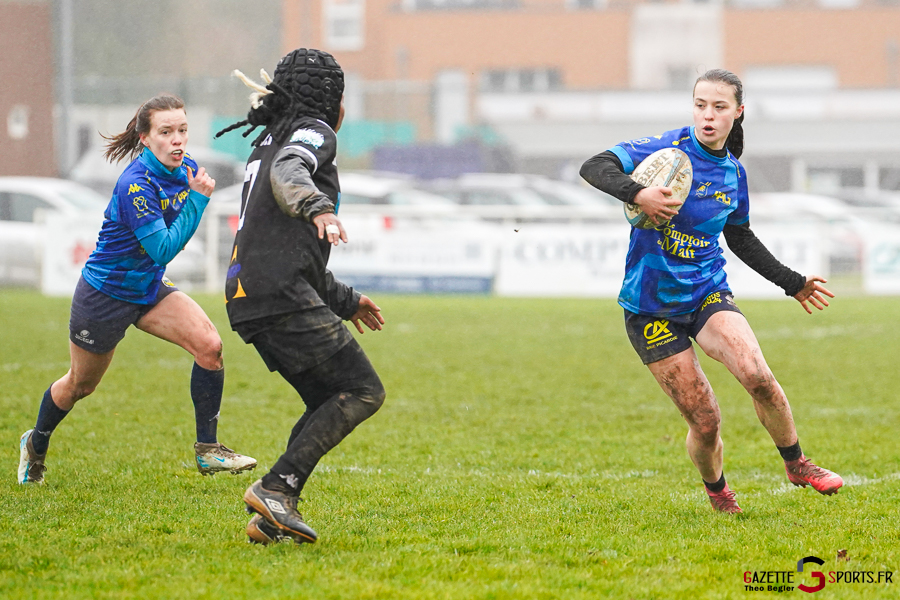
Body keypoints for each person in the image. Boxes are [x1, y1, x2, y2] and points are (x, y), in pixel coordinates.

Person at [579, 69, 842, 514]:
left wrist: (792, 282)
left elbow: (740, 237)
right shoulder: (665, 149)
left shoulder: (732, 174)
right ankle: (719, 493)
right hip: (650, 306)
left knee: (757, 375)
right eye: (700, 105)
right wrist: (639, 193)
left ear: (738, 113)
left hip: (706, 293)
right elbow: (594, 166)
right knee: (705, 420)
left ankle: (798, 464)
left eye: (719, 107)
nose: (707, 115)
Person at [17, 94, 257, 485]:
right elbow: (162, 248)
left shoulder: (186, 168)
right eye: (166, 132)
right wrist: (198, 200)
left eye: (182, 130)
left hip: (147, 286)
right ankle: (35, 443)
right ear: (145, 138)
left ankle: (208, 450)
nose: (177, 139)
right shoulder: (135, 185)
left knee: (210, 347)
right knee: (81, 385)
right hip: (105, 294)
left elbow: (164, 247)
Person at [215, 48, 386, 544]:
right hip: (278, 294)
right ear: (332, 101)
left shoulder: (269, 139)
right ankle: (276, 490)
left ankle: (272, 514)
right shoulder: (313, 132)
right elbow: (292, 171)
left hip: (251, 290)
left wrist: (344, 300)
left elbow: (287, 248)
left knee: (326, 398)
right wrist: (317, 206)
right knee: (362, 390)